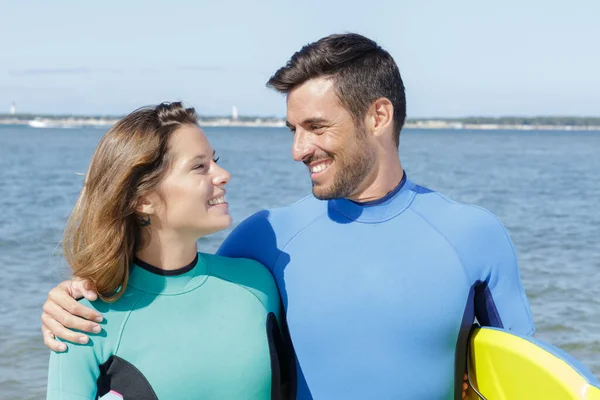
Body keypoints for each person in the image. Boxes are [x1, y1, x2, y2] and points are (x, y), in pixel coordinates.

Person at [41, 34, 534, 399]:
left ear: (378, 116)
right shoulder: (265, 239)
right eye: (292, 129)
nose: (298, 149)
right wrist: (73, 293)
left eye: (316, 127)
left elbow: (526, 377)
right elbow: (177, 289)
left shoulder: (474, 236)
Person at [45, 102, 293, 400]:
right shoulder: (82, 320)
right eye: (200, 166)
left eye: (215, 161)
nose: (223, 174)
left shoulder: (257, 283)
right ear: (143, 199)